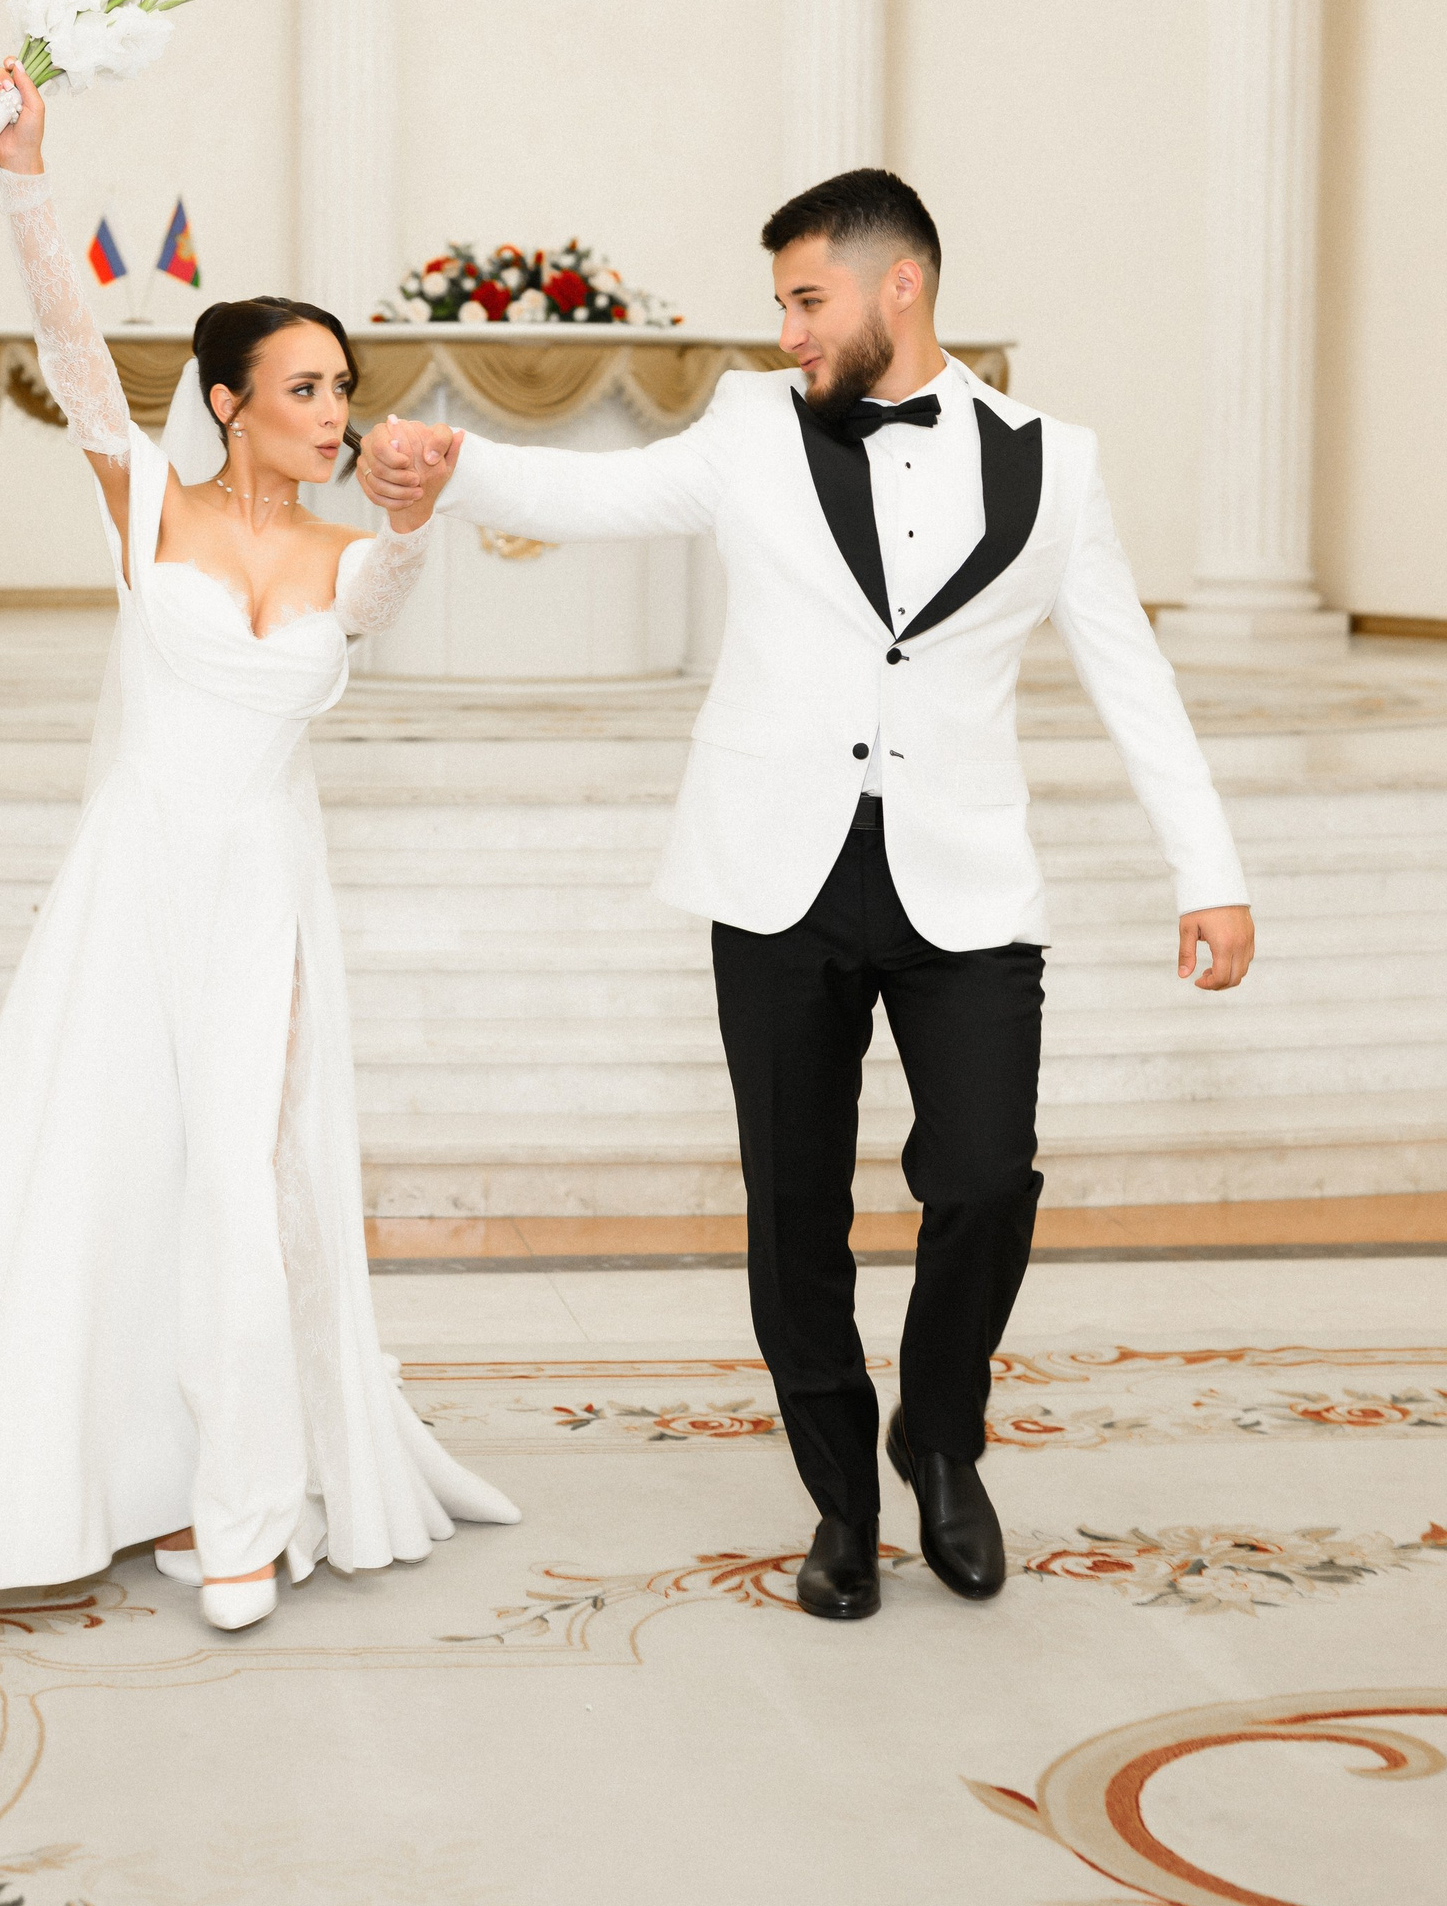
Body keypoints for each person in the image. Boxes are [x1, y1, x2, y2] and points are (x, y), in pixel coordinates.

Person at [359, 169, 1251, 1624]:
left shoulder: (1057, 464)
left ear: (902, 283)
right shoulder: (747, 428)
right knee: (795, 1207)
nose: (787, 331)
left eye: (806, 300)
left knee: (985, 1179)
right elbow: (597, 496)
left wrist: (1208, 872)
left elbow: (1130, 675)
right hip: (777, 875)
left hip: (965, 886)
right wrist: (454, 467)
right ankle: (843, 1500)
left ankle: (940, 1439)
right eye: (781, 303)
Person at [0, 57, 516, 1631]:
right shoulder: (146, 501)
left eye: (342, 390)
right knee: (109, 1173)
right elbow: (73, 347)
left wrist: (411, 516)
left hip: (255, 891)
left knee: (235, 1171)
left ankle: (244, 1511)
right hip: (130, 877)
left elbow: (389, 591)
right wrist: (27, 170)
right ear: (227, 402)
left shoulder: (355, 554)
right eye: (305, 389)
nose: (333, 414)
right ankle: (134, 1481)